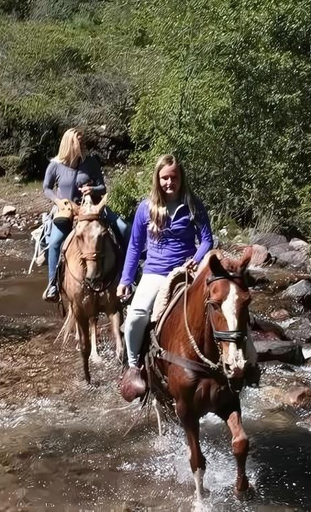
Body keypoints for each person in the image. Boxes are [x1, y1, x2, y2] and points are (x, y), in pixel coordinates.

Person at [116, 154, 213, 398]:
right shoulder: (145, 208)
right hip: (155, 272)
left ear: (181, 178)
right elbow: (135, 247)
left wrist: (198, 258)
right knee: (137, 316)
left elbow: (207, 239)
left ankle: (234, 358)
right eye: (164, 178)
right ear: (157, 179)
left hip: (185, 270)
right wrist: (126, 280)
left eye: (174, 177)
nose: (169, 182)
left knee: (220, 304)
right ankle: (133, 366)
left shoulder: (193, 204)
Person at [42, 128, 129, 302]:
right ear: (69, 144)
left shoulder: (90, 162)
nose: (83, 145)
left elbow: (102, 187)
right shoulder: (55, 164)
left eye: (83, 142)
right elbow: (46, 188)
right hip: (68, 210)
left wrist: (92, 189)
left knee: (123, 227)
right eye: (79, 143)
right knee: (55, 242)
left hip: (93, 207)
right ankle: (53, 284)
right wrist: (58, 202)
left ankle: (129, 273)